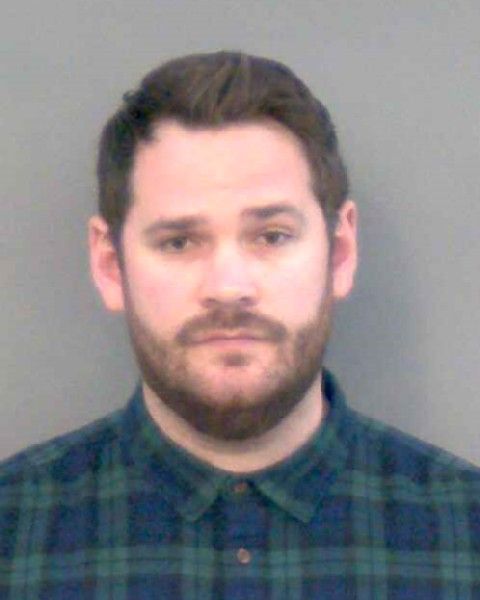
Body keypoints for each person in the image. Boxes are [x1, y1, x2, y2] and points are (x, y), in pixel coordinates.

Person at [1, 51, 479, 598]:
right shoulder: (14, 536)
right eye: (178, 242)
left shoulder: (466, 537)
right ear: (110, 265)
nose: (228, 287)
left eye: (272, 236)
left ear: (341, 252)